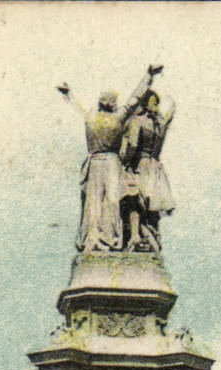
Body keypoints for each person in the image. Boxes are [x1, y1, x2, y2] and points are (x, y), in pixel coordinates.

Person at [58, 66, 160, 253]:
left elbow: (77, 105)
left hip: (95, 163)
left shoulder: (91, 117)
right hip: (112, 163)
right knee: (112, 201)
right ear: (112, 103)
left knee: (94, 202)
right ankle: (111, 240)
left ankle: (93, 239)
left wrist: (69, 93)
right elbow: (134, 99)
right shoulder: (118, 118)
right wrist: (148, 76)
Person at [120, 87, 175, 251]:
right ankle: (154, 240)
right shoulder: (160, 123)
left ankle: (136, 237)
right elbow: (170, 115)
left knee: (135, 202)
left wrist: (126, 161)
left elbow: (133, 145)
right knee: (154, 207)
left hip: (142, 166)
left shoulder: (138, 121)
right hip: (156, 168)